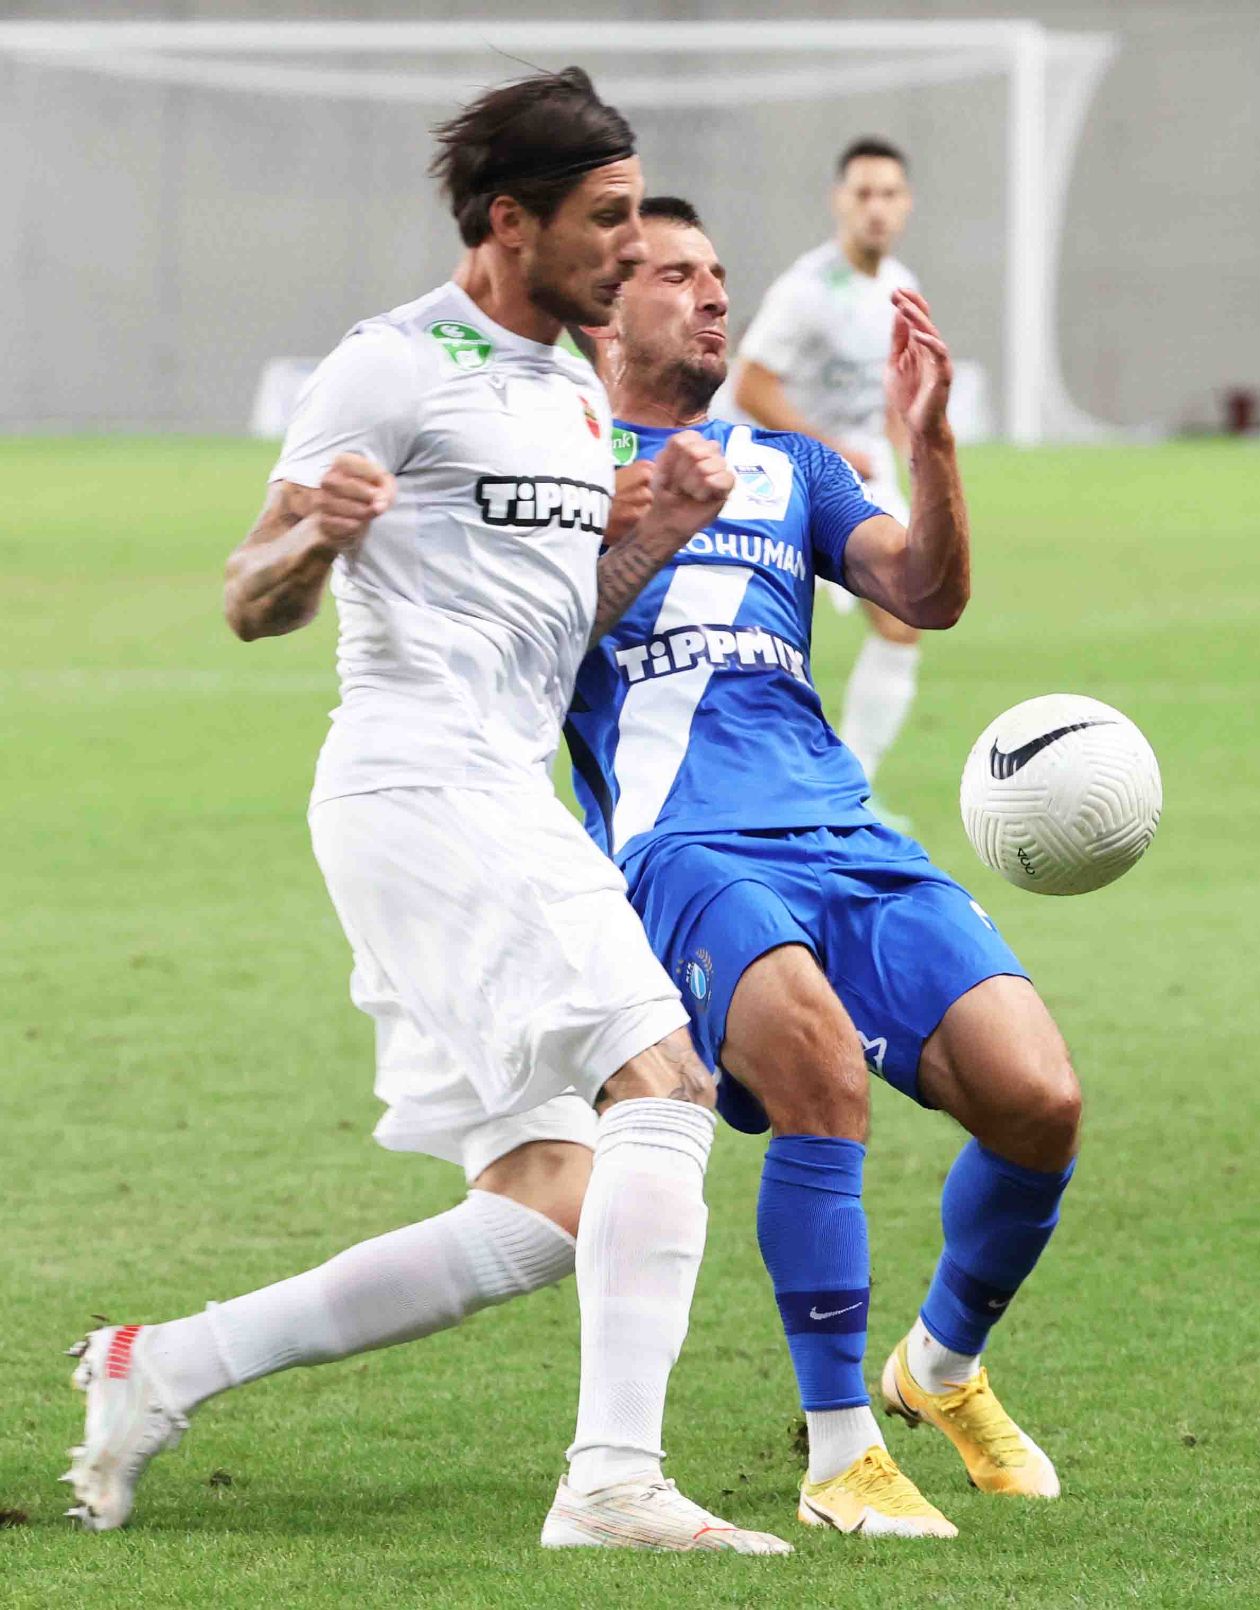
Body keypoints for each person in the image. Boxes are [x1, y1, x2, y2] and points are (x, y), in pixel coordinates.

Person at [61, 71, 788, 1557]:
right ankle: (611, 1484)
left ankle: (162, 1364)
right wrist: (313, 543)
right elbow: (247, 597)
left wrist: (655, 529)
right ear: (509, 221)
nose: (632, 246)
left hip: (482, 788)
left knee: (555, 1201)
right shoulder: (390, 364)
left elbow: (554, 631)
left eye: (637, 214)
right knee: (664, 1076)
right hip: (420, 779)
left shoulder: (571, 388)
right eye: (606, 218)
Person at [568, 197, 1081, 1538]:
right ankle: (840, 1448)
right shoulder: (561, 468)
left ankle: (941, 1366)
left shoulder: (787, 463)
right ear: (602, 309)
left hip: (842, 832)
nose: (712, 294)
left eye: (718, 272)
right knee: (820, 1075)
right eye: (674, 275)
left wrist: (929, 446)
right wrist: (646, 526)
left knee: (1039, 1100)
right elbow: (524, 650)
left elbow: (926, 591)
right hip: (681, 843)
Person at [734, 138, 923, 825]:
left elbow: (894, 389)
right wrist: (832, 446)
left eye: (889, 194)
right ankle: (761, 789)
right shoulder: (806, 290)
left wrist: (907, 447)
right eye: (863, 193)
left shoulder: (902, 286)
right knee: (762, 639)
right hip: (782, 474)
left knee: (905, 616)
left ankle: (854, 791)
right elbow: (751, 387)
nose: (876, 208)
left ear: (906, 204)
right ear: (839, 201)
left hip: (862, 473)